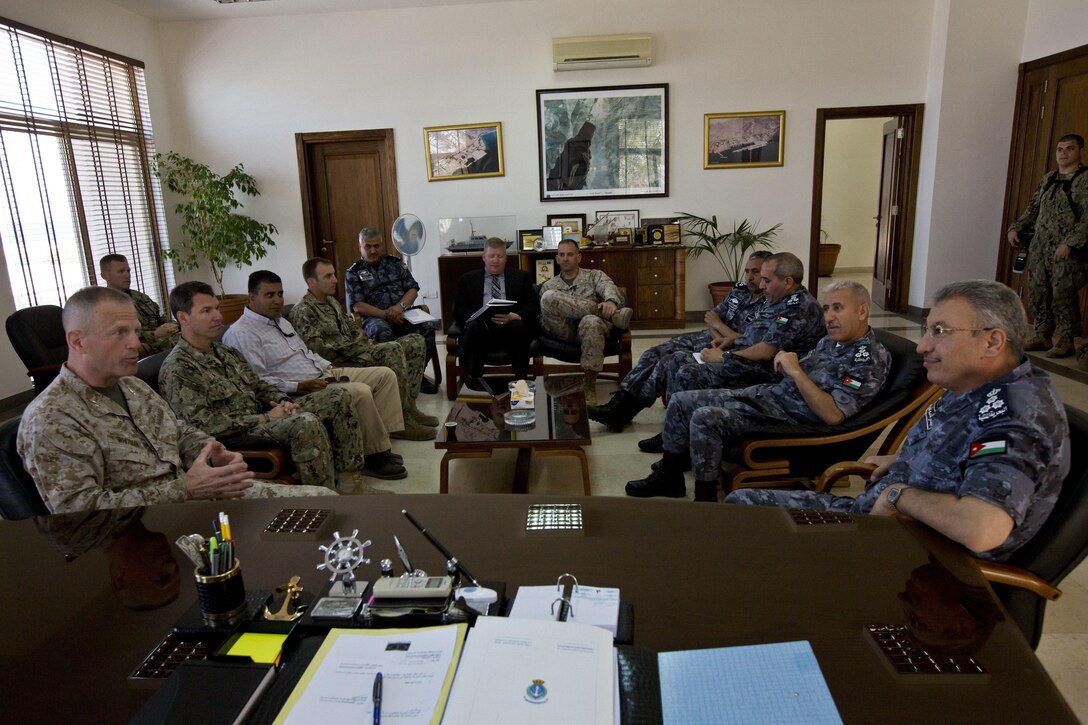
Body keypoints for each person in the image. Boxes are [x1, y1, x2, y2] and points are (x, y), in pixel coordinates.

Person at [727, 280, 1070, 562]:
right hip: (878, 521)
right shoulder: (975, 383)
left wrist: (897, 495)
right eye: (927, 330)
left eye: (939, 331)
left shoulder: (1015, 413)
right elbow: (963, 452)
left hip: (910, 558)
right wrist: (904, 460)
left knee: (748, 530)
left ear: (992, 341)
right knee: (741, 509)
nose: (922, 346)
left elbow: (982, 527)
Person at [16, 286, 335, 514]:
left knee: (323, 501)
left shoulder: (132, 386)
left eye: (136, 331)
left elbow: (177, 430)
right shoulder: (52, 418)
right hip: (147, 529)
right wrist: (185, 490)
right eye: (119, 333)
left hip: (196, 498)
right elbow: (78, 513)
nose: (136, 343)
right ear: (77, 341)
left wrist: (213, 451)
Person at [626, 281, 890, 501]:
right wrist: (785, 366)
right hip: (769, 398)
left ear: (862, 311)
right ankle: (669, 477)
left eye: (838, 308)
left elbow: (833, 415)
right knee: (682, 401)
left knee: (705, 417)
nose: (829, 317)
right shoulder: (831, 342)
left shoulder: (868, 359)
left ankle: (705, 498)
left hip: (786, 421)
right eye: (826, 309)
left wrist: (796, 372)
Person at [160, 281, 369, 490]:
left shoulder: (224, 352)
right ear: (183, 317)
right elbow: (202, 425)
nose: (218, 316)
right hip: (234, 436)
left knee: (337, 396)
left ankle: (349, 482)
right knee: (305, 422)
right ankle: (323, 495)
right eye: (206, 311)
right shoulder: (179, 368)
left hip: (262, 418)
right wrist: (265, 418)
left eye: (216, 308)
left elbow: (258, 385)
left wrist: (283, 401)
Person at [590, 252, 825, 431]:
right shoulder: (758, 293)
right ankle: (622, 406)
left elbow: (758, 346)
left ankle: (657, 425)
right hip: (726, 345)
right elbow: (713, 317)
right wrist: (723, 337)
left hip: (755, 364)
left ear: (787, 281)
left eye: (762, 276)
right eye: (750, 272)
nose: (756, 281)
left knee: (676, 363)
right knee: (655, 353)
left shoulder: (788, 304)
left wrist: (724, 347)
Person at [222, 270, 408, 479]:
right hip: (301, 388)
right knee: (361, 392)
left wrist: (329, 367)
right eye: (269, 295)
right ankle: (371, 456)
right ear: (251, 298)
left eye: (280, 294)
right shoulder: (242, 333)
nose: (277, 300)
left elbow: (305, 352)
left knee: (384, 375)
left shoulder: (280, 321)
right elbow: (259, 381)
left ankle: (381, 444)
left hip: (324, 371)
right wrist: (299, 386)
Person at [289, 257, 438, 439]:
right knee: (392, 349)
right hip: (339, 362)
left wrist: (361, 337)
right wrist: (359, 344)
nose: (335, 280)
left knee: (415, 341)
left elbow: (351, 328)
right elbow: (320, 351)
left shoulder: (331, 302)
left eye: (334, 274)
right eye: (328, 276)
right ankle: (399, 423)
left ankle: (408, 406)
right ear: (311, 282)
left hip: (356, 350)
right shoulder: (304, 311)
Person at [1007, 133, 1088, 359]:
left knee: (1063, 293)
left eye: (1069, 149)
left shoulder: (1084, 180)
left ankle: (1066, 340)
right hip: (1041, 248)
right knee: (1038, 290)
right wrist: (1016, 227)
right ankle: (1043, 334)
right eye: (1060, 149)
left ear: (1081, 152)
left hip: (1067, 251)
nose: (1063, 153)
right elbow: (1033, 208)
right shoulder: (1049, 179)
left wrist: (1070, 243)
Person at [538, 239, 633, 404]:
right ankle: (608, 314)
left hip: (590, 330)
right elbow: (545, 316)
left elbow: (608, 287)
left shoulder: (593, 275)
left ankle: (589, 382)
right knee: (548, 297)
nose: (565, 258)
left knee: (591, 321)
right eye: (562, 255)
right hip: (563, 330)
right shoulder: (549, 285)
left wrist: (611, 301)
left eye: (570, 254)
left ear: (579, 257)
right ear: (557, 259)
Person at [452, 237, 539, 380]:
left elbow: (533, 305)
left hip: (511, 329)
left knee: (518, 326)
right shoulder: (467, 279)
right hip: (482, 331)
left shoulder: (521, 277)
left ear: (506, 258)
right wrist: (477, 316)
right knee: (474, 327)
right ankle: (475, 381)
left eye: (500, 256)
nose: (496, 260)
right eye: (492, 256)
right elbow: (458, 309)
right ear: (484, 257)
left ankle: (520, 381)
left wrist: (516, 316)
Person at [345, 226, 437, 348]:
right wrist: (386, 315)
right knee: (381, 331)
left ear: (382, 246)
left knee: (428, 326)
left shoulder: (395, 263)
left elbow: (413, 289)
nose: (373, 251)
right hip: (374, 318)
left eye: (376, 246)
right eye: (368, 246)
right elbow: (358, 305)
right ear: (360, 247)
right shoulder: (353, 271)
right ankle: (393, 361)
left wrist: (399, 307)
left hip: (402, 313)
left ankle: (418, 360)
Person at [99, 253, 178, 356]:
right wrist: (155, 334)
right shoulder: (102, 305)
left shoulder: (140, 297)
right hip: (139, 347)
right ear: (105, 275)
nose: (127, 275)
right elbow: (116, 335)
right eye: (121, 271)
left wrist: (173, 326)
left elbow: (160, 317)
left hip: (165, 341)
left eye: (128, 271)